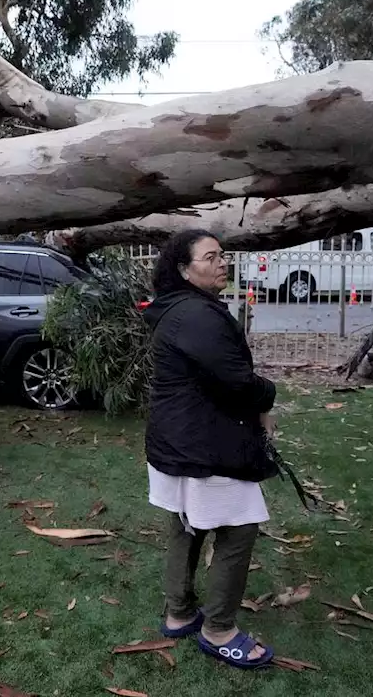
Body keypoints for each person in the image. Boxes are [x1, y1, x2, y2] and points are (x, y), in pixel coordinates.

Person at [142, 229, 279, 670]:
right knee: (239, 529)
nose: (223, 263)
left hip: (179, 439)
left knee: (186, 525)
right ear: (185, 269)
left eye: (224, 255)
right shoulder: (197, 316)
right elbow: (236, 381)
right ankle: (219, 629)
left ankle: (179, 612)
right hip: (203, 446)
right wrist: (268, 396)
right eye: (211, 257)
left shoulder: (179, 309)